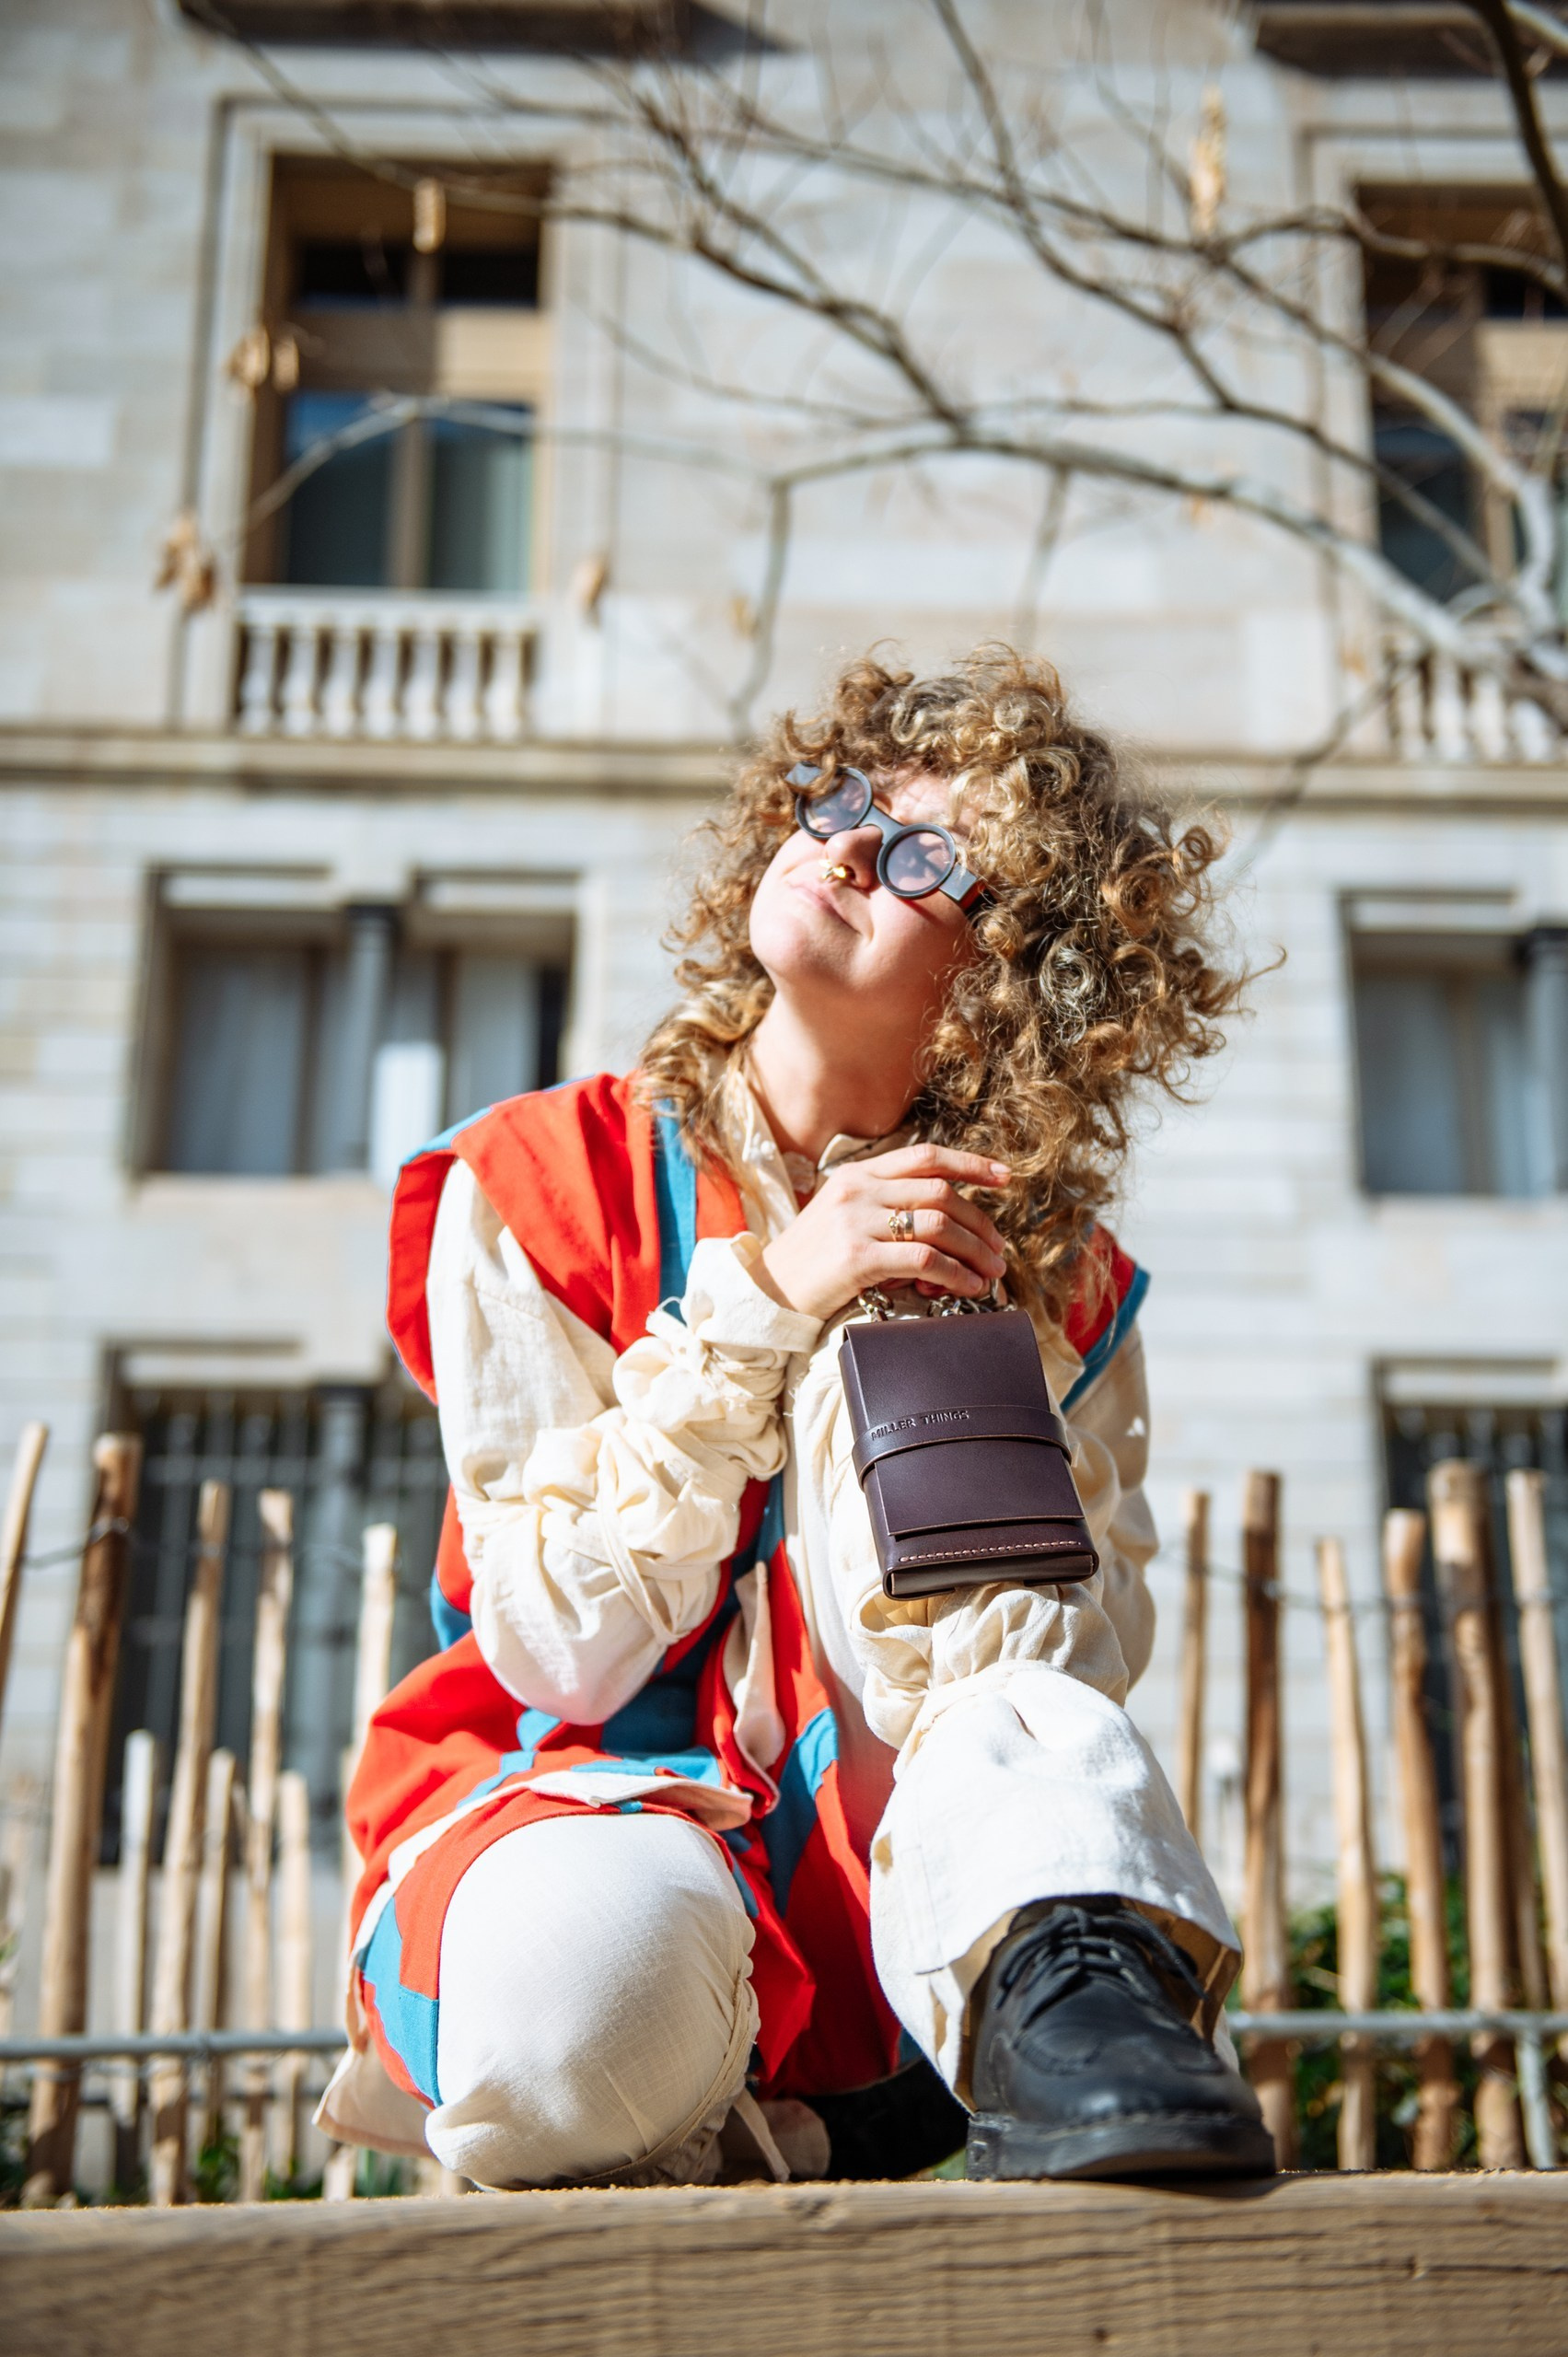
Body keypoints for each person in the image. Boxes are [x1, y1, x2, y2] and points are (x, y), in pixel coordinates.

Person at [318, 647, 1272, 2188]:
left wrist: (916, 1339)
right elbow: (562, 1647)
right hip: (571, 1804)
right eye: (845, 804)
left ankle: (1057, 1966)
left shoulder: (1069, 1285)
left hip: (916, 1843)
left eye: (924, 861)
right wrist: (769, 1291)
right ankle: (833, 2136)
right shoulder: (541, 1181)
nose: (841, 845)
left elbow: (1062, 1675)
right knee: (585, 2005)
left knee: (916, 1337)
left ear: (1007, 987)